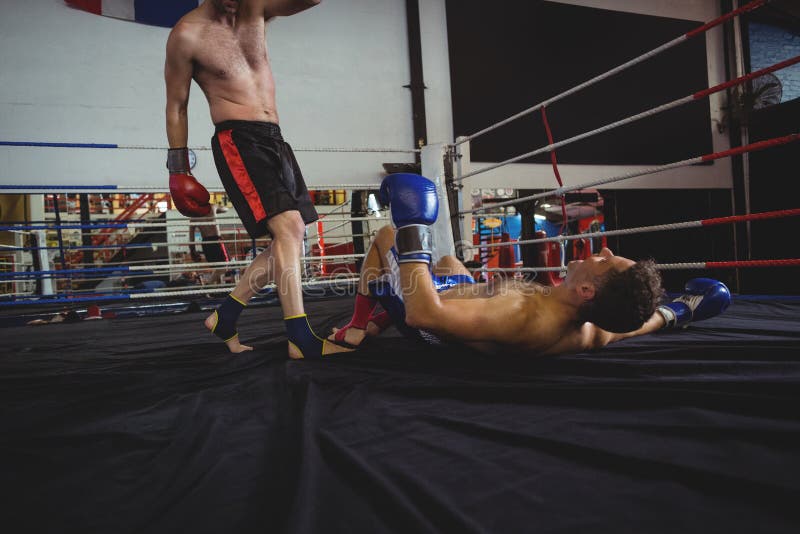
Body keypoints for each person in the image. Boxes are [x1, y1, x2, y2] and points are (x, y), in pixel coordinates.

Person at [330, 173, 731, 356]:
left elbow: (422, 314)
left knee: (386, 238)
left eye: (607, 260)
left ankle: (358, 325)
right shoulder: (596, 328)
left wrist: (413, 226)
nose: (603, 251)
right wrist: (683, 309)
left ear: (587, 290)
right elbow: (645, 322)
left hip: (430, 324)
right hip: (464, 296)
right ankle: (380, 313)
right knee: (451, 259)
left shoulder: (520, 314)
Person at [164, 0, 350, 357]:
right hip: (238, 138)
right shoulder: (186, 35)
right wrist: (178, 170)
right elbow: (177, 105)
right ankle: (300, 338)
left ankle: (226, 317)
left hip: (275, 139)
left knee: (292, 239)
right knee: (290, 230)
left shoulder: (254, 9)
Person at [189, 204, 229, 285]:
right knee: (225, 266)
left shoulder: (193, 217)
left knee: (218, 267)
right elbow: (226, 209)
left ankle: (218, 289)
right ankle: (209, 285)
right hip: (216, 240)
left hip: (206, 243)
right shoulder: (212, 207)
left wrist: (193, 251)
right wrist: (218, 207)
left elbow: (191, 238)